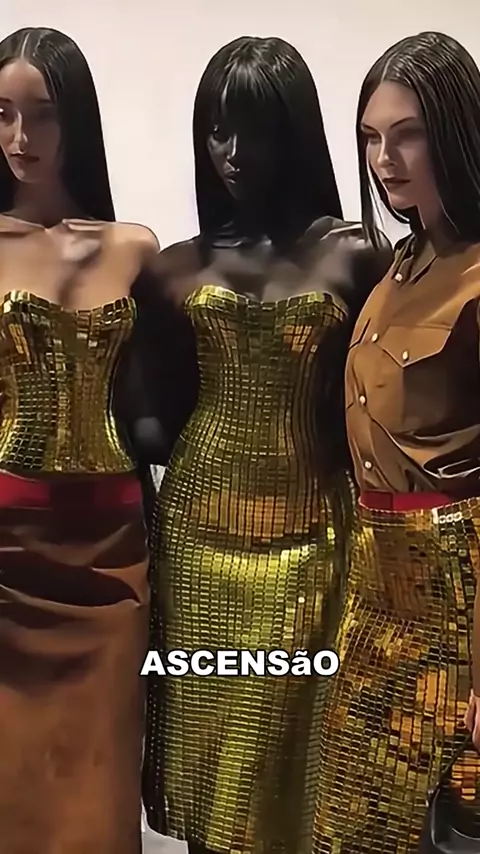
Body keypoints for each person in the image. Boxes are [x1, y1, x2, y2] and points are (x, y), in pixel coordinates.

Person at [141, 36, 392, 854]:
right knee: (210, 770)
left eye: (255, 128)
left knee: (289, 770)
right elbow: (155, 414)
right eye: (217, 129)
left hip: (310, 543)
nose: (234, 152)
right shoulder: (174, 267)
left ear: (296, 130)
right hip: (196, 545)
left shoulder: (357, 255)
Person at [312, 30, 480, 854]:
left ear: (456, 130)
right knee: (351, 826)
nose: (385, 160)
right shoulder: (400, 265)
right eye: (372, 137)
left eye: (407, 134)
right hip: (376, 583)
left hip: (458, 589)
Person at [0, 26, 166, 854]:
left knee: (100, 792)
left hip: (110, 555)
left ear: (78, 120)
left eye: (43, 114)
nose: (21, 138)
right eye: (2, 114)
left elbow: (160, 402)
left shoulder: (132, 247)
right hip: (7, 552)